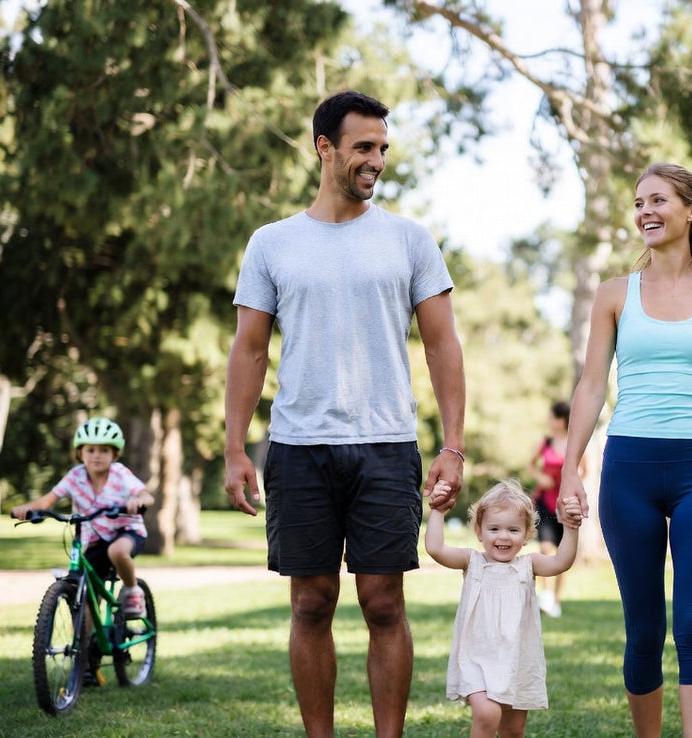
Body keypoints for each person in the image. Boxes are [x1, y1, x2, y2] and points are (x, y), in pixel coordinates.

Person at [223, 90, 466, 737]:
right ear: (323, 147)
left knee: (384, 604)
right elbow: (248, 351)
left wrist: (454, 443)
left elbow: (442, 343)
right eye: (364, 147)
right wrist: (234, 448)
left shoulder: (409, 238)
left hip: (386, 445)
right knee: (310, 603)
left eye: (382, 148)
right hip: (300, 447)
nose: (377, 160)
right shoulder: (272, 244)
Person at [559, 162, 692, 738]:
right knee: (644, 628)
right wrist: (573, 469)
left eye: (658, 200)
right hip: (629, 470)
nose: (645, 212)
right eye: (638, 203)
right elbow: (591, 387)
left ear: (691, 209)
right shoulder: (613, 295)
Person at [425, 478, 581, 737]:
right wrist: (438, 512)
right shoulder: (472, 562)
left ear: (527, 533)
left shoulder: (528, 565)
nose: (503, 537)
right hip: (477, 657)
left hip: (516, 659)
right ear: (479, 531)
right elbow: (435, 548)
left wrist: (571, 527)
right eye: (494, 529)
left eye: (513, 530)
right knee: (487, 714)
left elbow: (561, 561)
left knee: (513, 730)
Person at [10, 417, 153, 619]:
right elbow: (47, 501)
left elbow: (146, 496)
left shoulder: (120, 473)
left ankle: (132, 591)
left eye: (104, 450)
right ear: (80, 453)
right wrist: (26, 508)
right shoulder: (74, 476)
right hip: (94, 539)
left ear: (114, 454)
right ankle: (85, 644)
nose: (97, 456)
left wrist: (138, 501)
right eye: (90, 450)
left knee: (117, 551)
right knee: (87, 600)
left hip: (127, 532)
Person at [526, 399, 586, 617]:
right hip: (544, 500)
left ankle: (557, 601)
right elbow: (531, 465)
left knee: (563, 552)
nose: (550, 421)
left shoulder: (574, 443)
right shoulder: (546, 442)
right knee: (544, 548)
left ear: (562, 420)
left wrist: (570, 483)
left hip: (565, 503)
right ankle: (546, 594)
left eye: (553, 417)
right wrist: (541, 477)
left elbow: (584, 471)